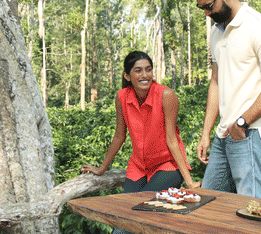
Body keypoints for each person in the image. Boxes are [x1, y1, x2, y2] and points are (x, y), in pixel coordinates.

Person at [192, 0, 261, 199]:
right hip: (224, 133)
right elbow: (216, 82)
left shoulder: (259, 27)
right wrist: (206, 132)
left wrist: (242, 122)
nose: (206, 13)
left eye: (209, 6)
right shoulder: (216, 32)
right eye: (201, 8)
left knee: (251, 205)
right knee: (208, 205)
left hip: (250, 132)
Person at [81, 51, 199, 196]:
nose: (145, 75)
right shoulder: (122, 97)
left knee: (143, 202)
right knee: (127, 205)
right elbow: (119, 136)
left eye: (148, 69)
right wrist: (101, 169)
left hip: (167, 165)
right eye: (138, 70)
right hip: (138, 167)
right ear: (127, 76)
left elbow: (172, 139)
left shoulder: (166, 95)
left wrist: (190, 182)